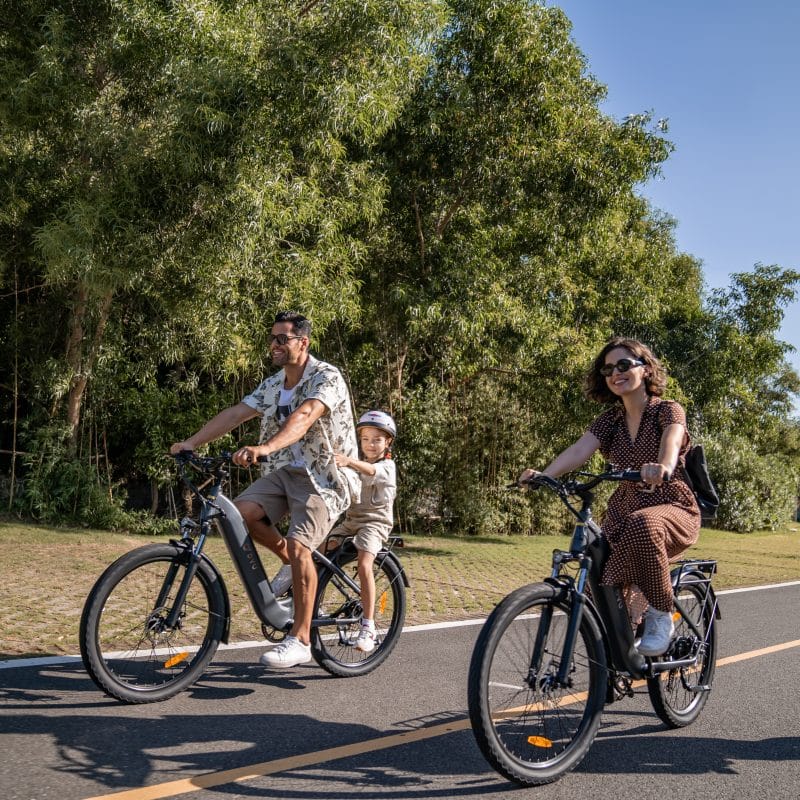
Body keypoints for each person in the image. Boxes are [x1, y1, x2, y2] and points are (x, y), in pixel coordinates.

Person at [170, 310, 360, 669]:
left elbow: (304, 416)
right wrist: (190, 442)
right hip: (285, 472)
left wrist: (266, 448)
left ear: (302, 343)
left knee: (303, 545)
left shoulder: (326, 376)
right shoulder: (274, 384)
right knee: (238, 515)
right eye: (271, 338)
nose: (273, 345)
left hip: (325, 477)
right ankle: (292, 563)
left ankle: (301, 639)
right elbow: (235, 414)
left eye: (281, 339)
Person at [518, 336, 700, 657]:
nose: (615, 372)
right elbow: (580, 450)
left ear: (645, 370)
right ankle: (613, 657)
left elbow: (672, 440)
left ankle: (660, 617)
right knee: (595, 569)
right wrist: (545, 475)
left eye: (624, 365)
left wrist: (662, 466)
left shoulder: (667, 410)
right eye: (608, 368)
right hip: (625, 510)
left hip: (672, 506)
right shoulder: (610, 420)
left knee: (645, 524)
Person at [332, 410, 398, 654]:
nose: (371, 444)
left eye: (377, 439)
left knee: (364, 563)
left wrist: (348, 461)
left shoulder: (388, 466)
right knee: (319, 550)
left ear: (387, 442)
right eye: (366, 439)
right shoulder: (354, 463)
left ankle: (368, 625)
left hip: (375, 523)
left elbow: (370, 472)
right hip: (351, 521)